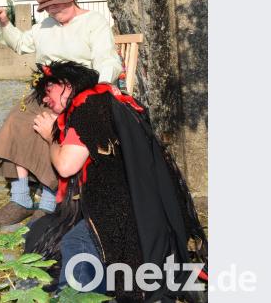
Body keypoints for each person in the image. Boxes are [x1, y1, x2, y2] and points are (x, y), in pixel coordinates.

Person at [24, 60, 207, 300]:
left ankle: (80, 297)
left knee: (75, 244)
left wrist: (50, 138)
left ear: (66, 85)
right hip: (140, 202)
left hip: (118, 209)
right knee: (39, 232)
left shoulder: (87, 107)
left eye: (47, 91)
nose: (45, 101)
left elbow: (66, 166)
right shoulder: (108, 99)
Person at [0, 0, 123, 226]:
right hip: (48, 90)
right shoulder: (44, 26)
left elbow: (107, 59)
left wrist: (101, 87)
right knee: (17, 120)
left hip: (82, 90)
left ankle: (50, 199)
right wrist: (5, 23)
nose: (53, 11)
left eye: (57, 5)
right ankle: (21, 198)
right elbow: (21, 44)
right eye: (48, 8)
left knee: (51, 126)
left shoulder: (93, 22)